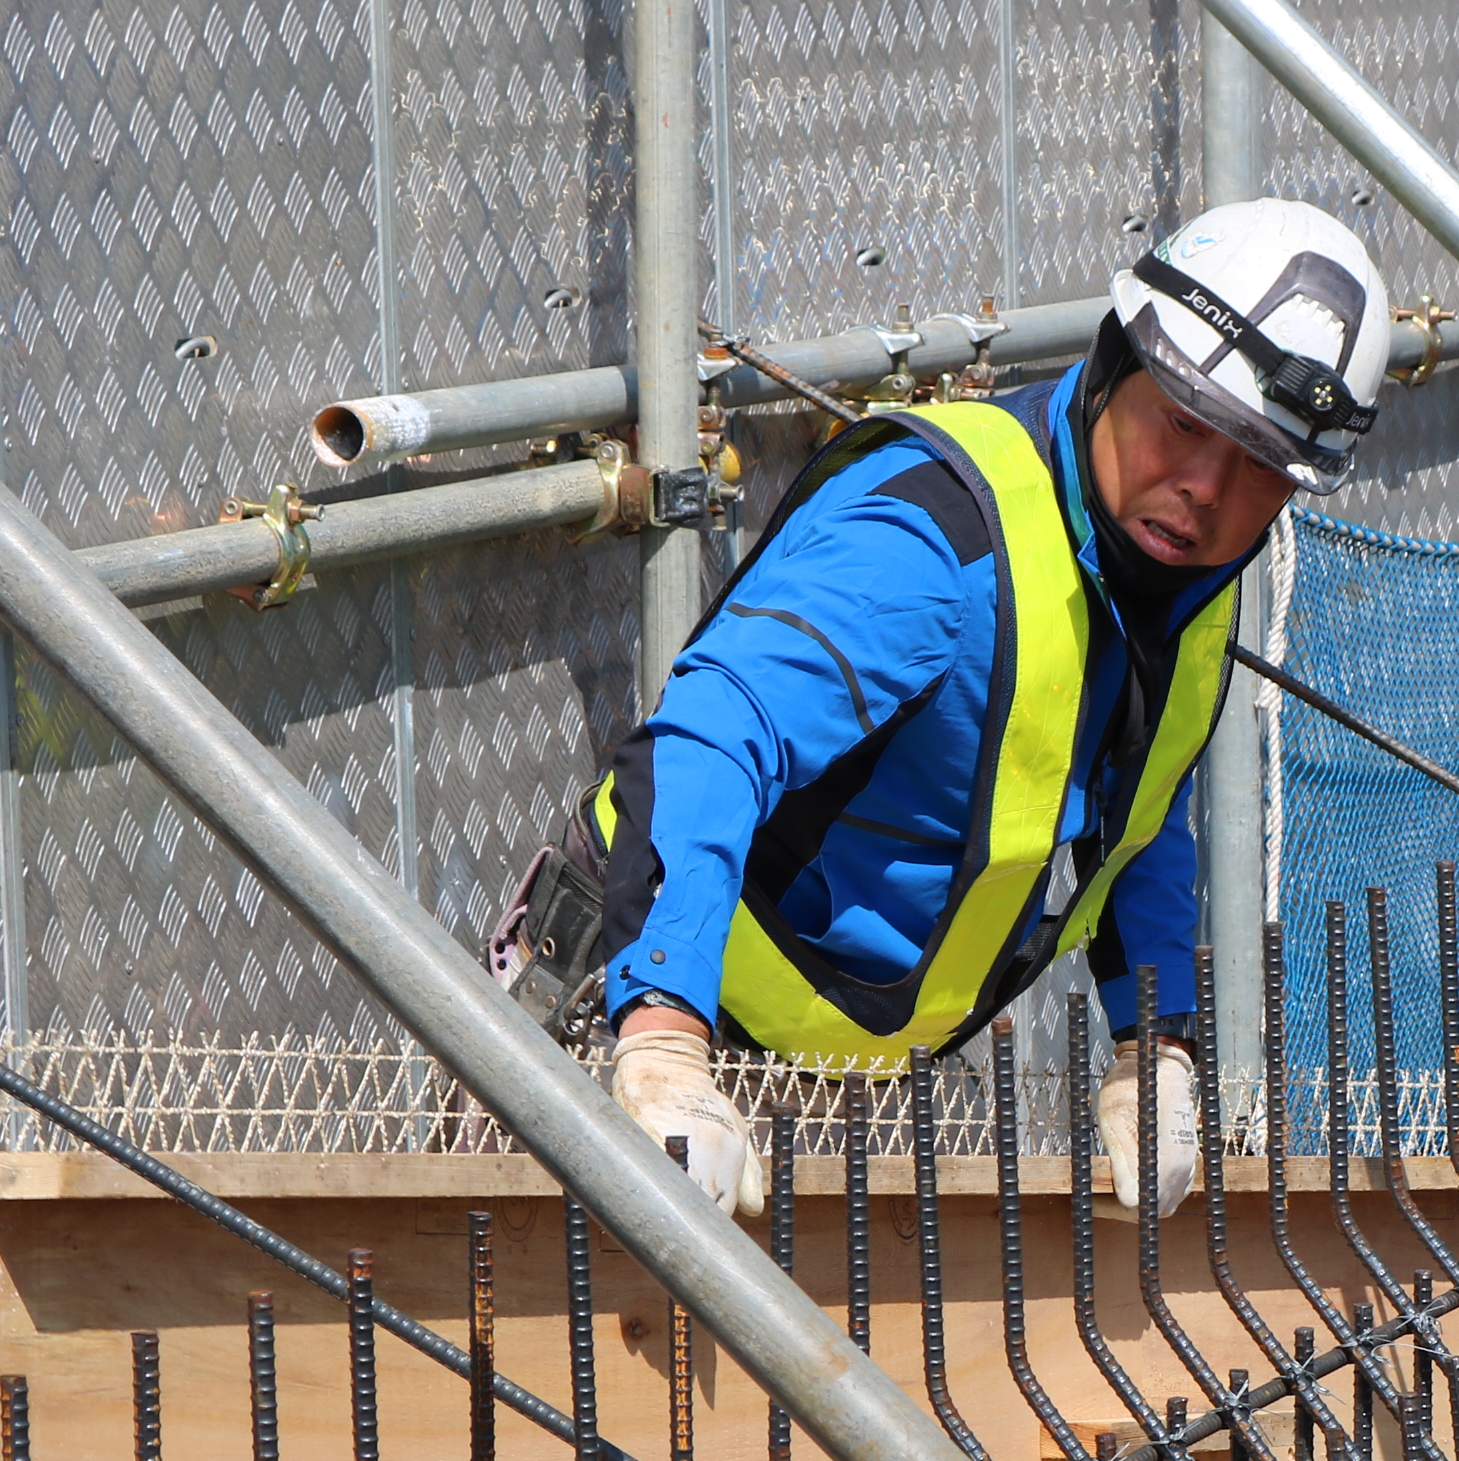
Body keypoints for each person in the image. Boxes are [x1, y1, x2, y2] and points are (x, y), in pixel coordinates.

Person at [567, 199, 1389, 1222]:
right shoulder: (932, 546)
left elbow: (1140, 821)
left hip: (838, 1078)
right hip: (626, 1018)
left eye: (1260, 464)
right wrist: (659, 1036)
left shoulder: (1181, 583)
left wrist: (1157, 1044)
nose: (1204, 490)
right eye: (1184, 425)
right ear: (1112, 363)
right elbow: (707, 745)